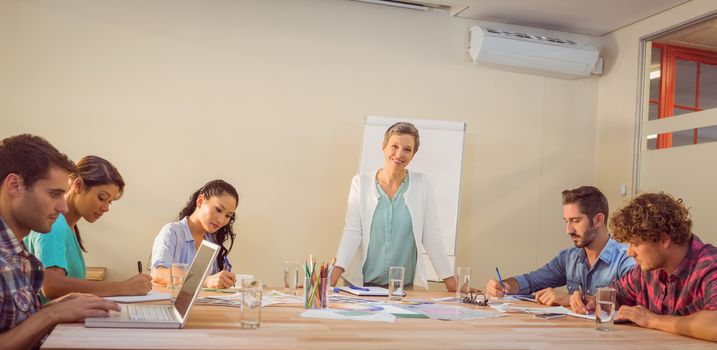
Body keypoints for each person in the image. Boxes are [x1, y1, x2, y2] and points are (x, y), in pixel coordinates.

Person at [0, 134, 119, 349]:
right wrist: (52, 314)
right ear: (15, 185)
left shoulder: (20, 255)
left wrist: (55, 307)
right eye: (54, 194)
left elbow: (18, 324)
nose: (63, 207)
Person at [570, 192, 717, 342]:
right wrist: (590, 300)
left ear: (664, 239)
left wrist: (653, 320)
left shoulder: (710, 266)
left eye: (636, 244)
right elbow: (616, 295)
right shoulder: (645, 271)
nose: (629, 252)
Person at [331, 122, 457, 291]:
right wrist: (329, 281)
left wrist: (453, 287)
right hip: (361, 287)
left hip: (402, 289)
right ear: (383, 146)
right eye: (394, 146)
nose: (399, 154)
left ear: (413, 154)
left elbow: (432, 236)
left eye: (407, 149)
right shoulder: (361, 183)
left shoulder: (422, 184)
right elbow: (352, 232)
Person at [24, 155, 152, 301]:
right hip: (50, 322)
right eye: (102, 198)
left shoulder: (68, 227)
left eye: (110, 202)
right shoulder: (55, 226)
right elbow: (52, 286)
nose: (105, 208)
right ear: (78, 186)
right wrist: (123, 287)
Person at [485, 186, 635, 306]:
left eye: (576, 221)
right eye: (566, 221)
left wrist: (571, 299)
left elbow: (633, 303)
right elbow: (531, 281)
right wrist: (505, 285)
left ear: (598, 220)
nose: (568, 230)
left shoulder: (627, 258)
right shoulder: (568, 258)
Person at [151, 179, 238, 289]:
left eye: (228, 216)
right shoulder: (172, 232)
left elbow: (211, 283)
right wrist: (205, 281)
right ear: (200, 201)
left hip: (204, 305)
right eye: (218, 209)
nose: (221, 220)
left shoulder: (212, 240)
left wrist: (222, 280)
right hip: (171, 304)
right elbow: (158, 273)